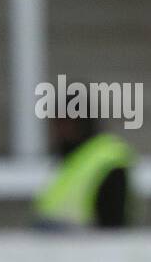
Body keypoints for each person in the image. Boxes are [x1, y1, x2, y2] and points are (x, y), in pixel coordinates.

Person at [33, 92, 135, 230]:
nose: (59, 131)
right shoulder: (71, 161)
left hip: (89, 247)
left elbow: (113, 225)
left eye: (65, 122)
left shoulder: (107, 160)